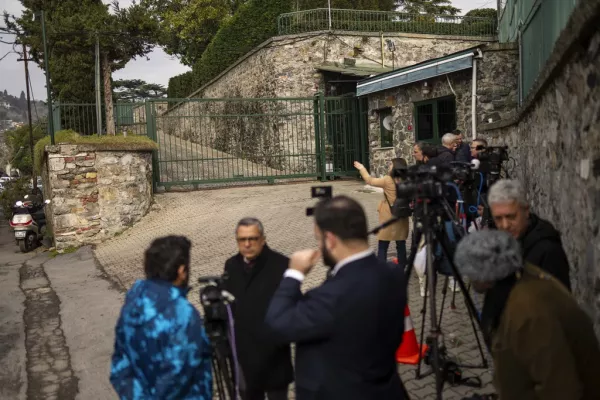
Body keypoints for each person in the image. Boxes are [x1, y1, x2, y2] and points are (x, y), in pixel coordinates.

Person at [265, 196, 407, 400]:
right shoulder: (393, 273)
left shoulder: (331, 298)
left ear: (330, 240)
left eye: (318, 239)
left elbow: (277, 323)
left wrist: (294, 274)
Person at [454, 230, 600, 400]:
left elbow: (561, 387)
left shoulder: (528, 311)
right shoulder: (520, 279)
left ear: (487, 275)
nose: (470, 278)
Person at [110, 236, 212, 399]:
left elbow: (119, 366)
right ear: (181, 271)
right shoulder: (182, 312)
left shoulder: (131, 305)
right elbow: (177, 373)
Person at [222, 218, 293, 400]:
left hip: (274, 355)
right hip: (246, 357)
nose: (247, 244)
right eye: (242, 239)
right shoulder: (231, 266)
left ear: (263, 239)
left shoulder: (282, 264)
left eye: (252, 239)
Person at [487, 179, 571, 290]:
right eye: (498, 218)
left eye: (511, 217)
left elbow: (558, 303)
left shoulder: (548, 251)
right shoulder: (503, 241)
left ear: (526, 211)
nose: (505, 225)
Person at [354, 159, 409, 266]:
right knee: (401, 243)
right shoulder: (407, 180)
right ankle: (402, 267)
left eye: (391, 165)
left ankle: (381, 269)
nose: (389, 167)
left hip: (388, 215)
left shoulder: (388, 180)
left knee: (383, 244)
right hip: (402, 215)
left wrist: (362, 168)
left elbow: (369, 180)